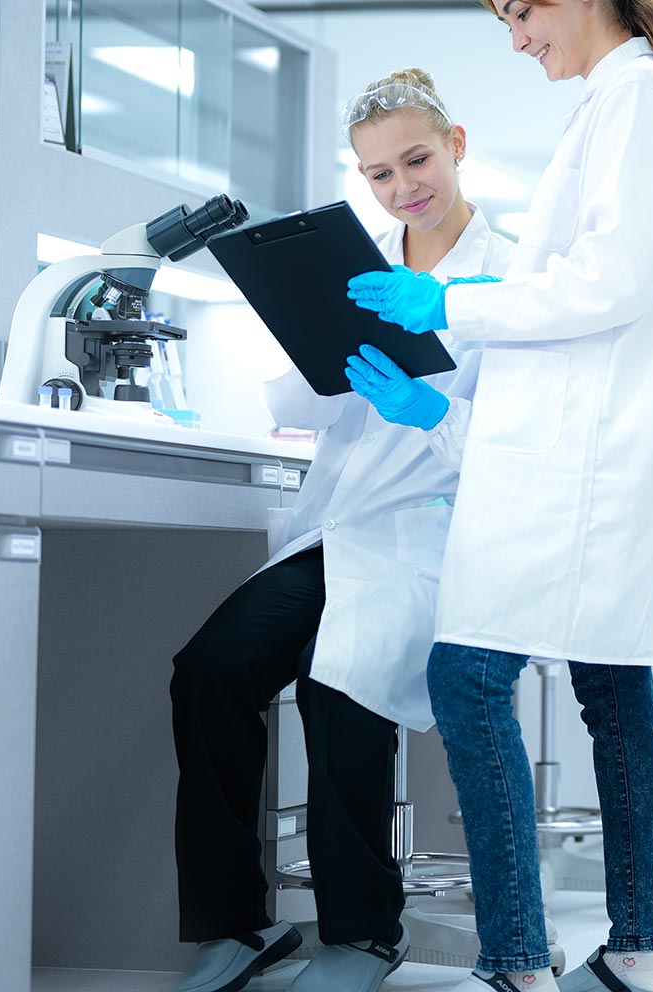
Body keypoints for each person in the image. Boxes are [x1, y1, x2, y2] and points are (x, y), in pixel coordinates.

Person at [349, 0, 653, 992]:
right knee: (611, 688)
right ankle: (642, 946)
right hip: (584, 451)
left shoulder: (636, 98)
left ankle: (515, 958)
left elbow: (611, 281)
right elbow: (589, 282)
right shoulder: (622, 100)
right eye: (504, 19)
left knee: (466, 678)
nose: (517, 38)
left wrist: (455, 306)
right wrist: (452, 357)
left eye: (521, 11)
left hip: (580, 466)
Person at [168, 69, 512, 992]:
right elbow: (307, 404)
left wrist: (421, 411)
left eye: (418, 159)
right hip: (341, 526)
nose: (405, 187)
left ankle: (362, 934)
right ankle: (234, 925)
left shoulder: (511, 279)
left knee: (341, 685)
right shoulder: (365, 264)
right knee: (211, 668)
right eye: (380, 174)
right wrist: (314, 336)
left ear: (457, 146)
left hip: (432, 533)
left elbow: (518, 449)